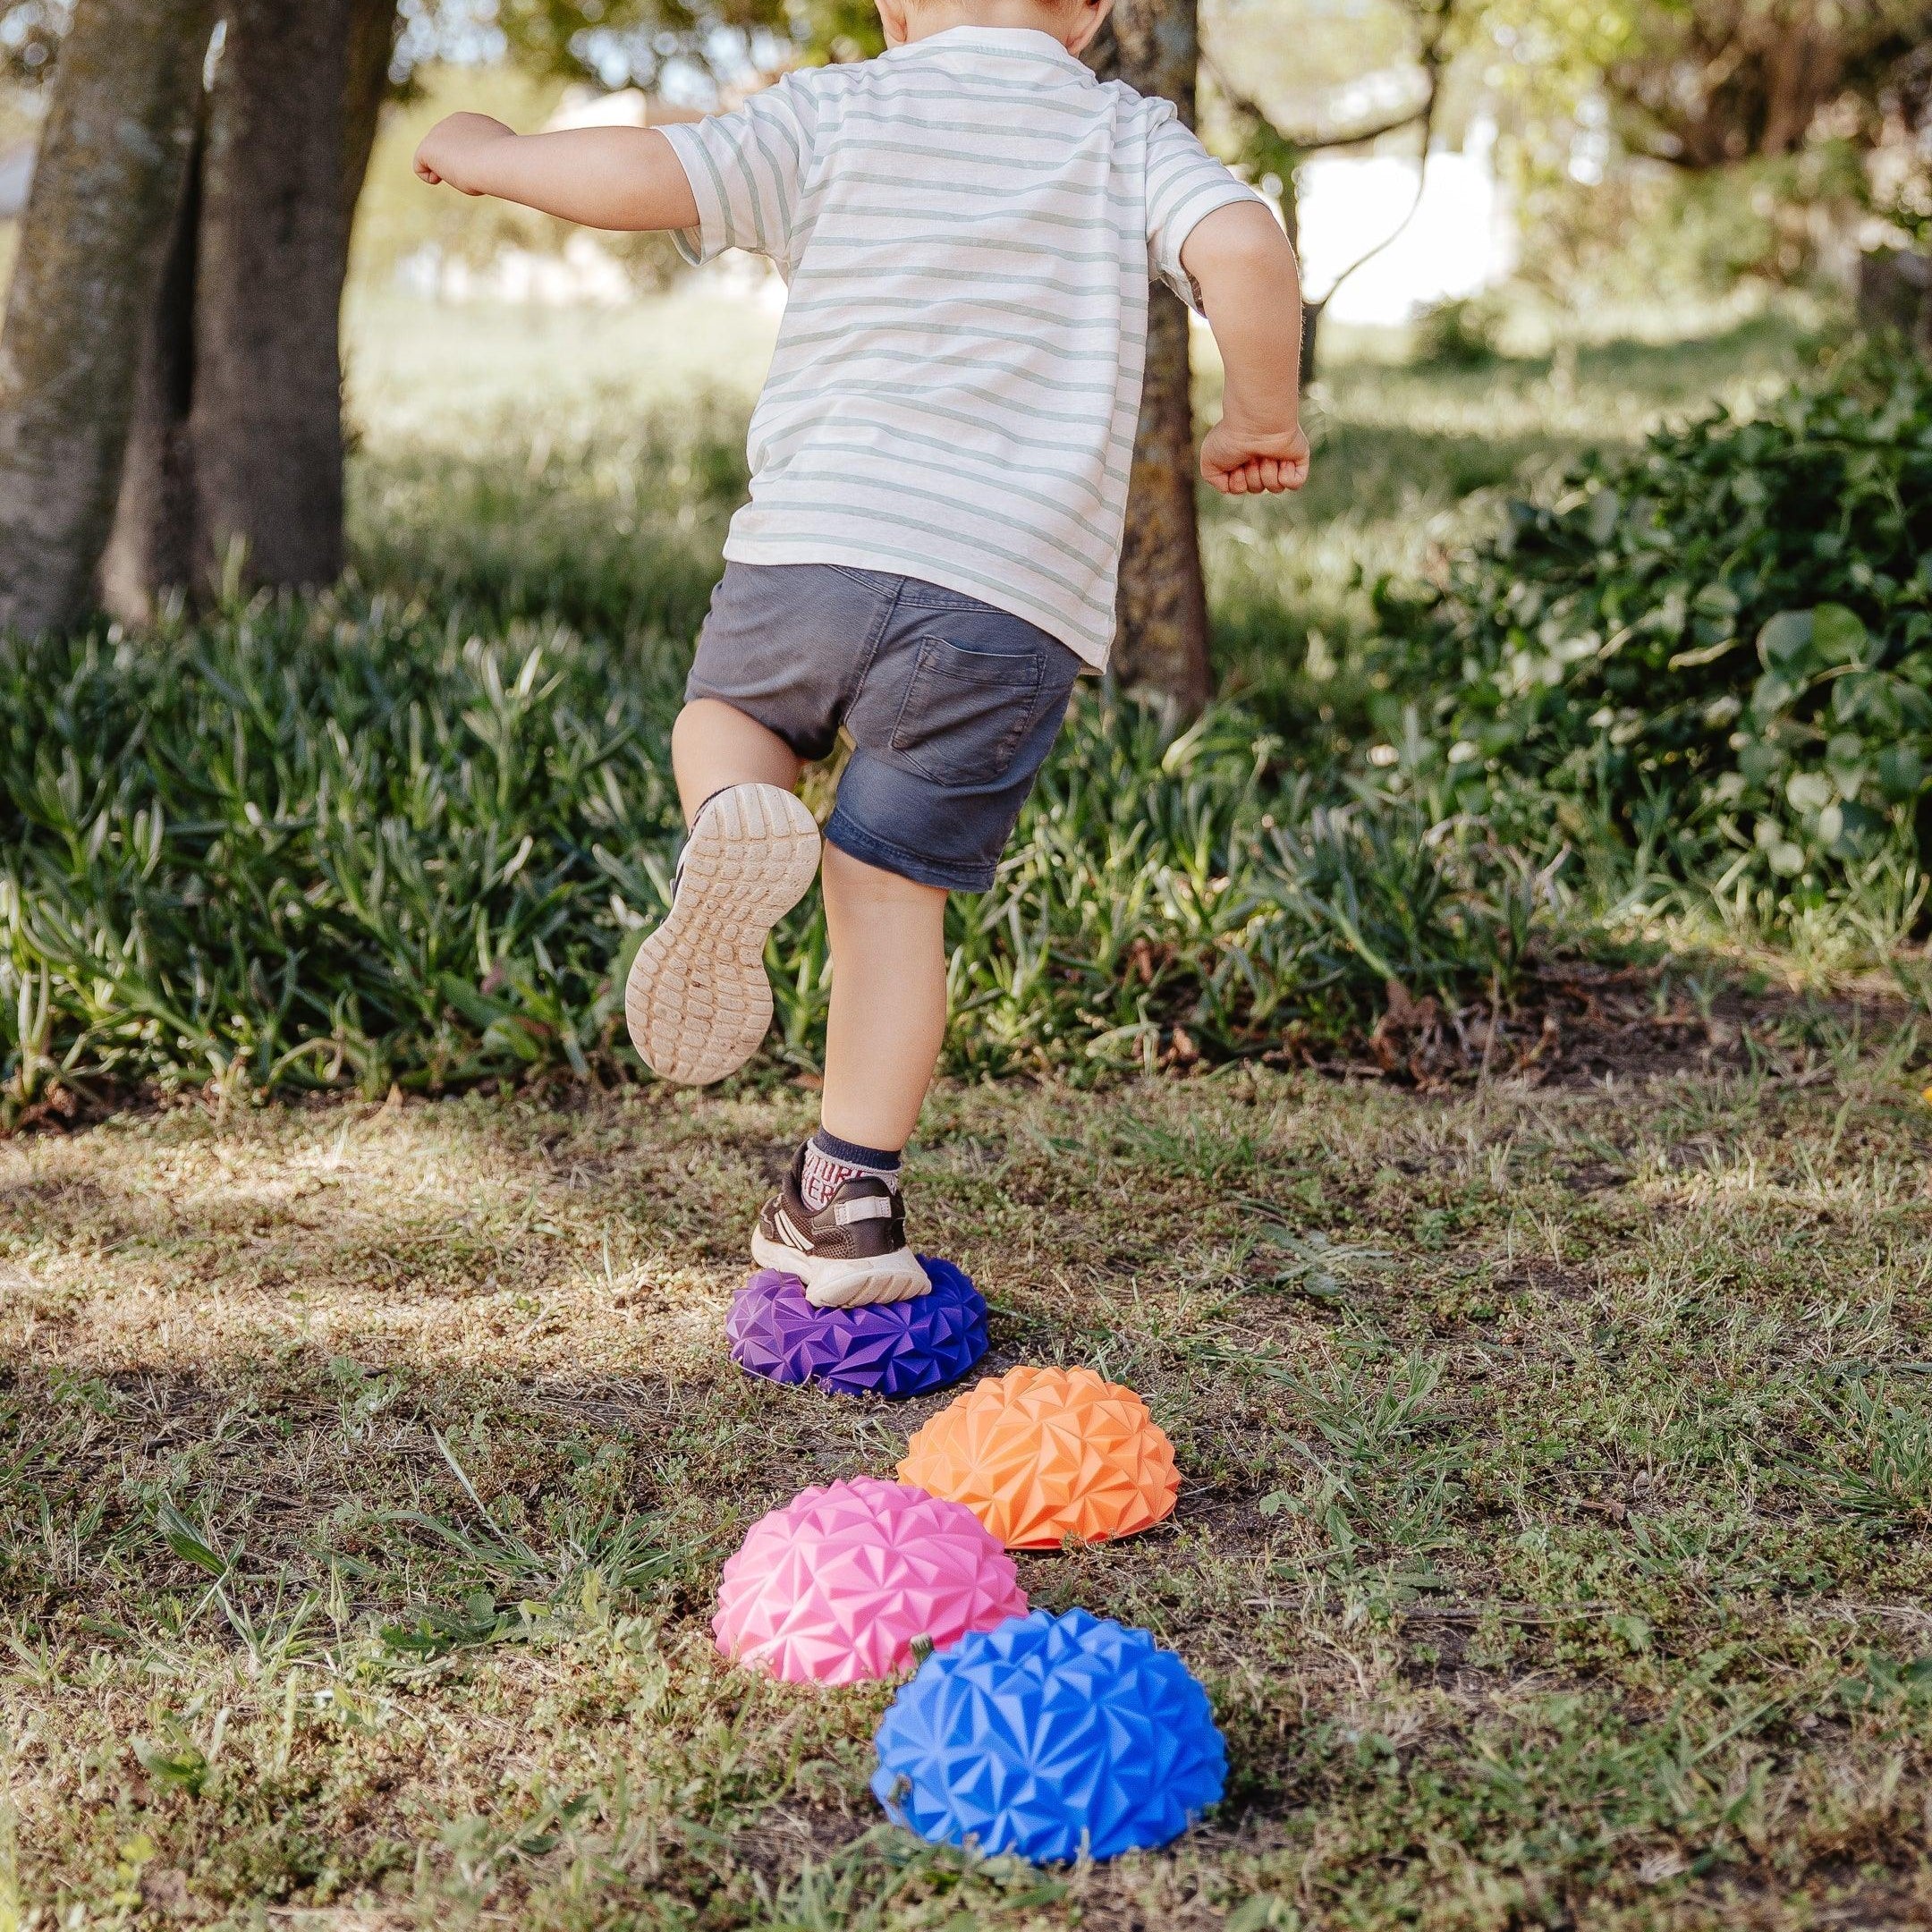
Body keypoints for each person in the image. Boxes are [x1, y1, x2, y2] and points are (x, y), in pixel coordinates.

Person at [414, 0, 1309, 1309]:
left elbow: (652, 175)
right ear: (1097, 12)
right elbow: (1244, 240)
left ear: (897, 4)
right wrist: (1259, 411)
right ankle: (847, 1199)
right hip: (1006, 600)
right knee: (890, 898)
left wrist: (492, 151)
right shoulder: (1124, 137)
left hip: (822, 538)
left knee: (727, 714)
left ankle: (738, 811)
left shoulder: (843, 107)